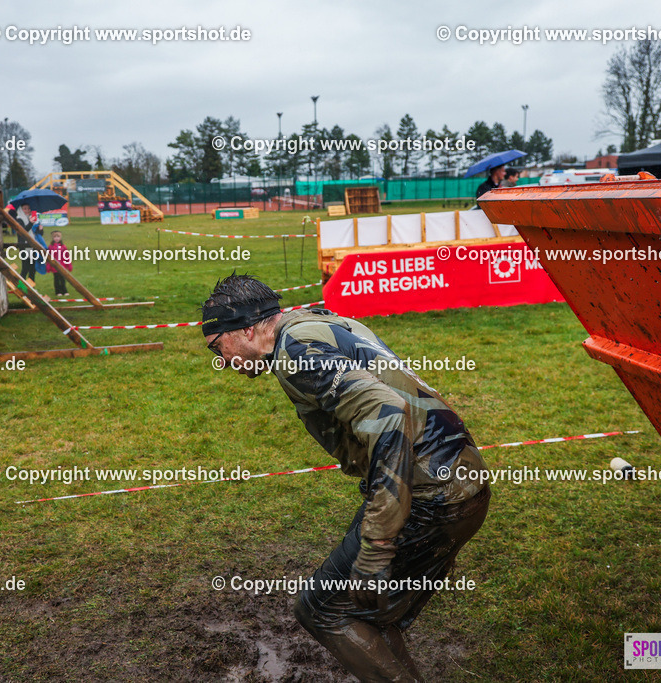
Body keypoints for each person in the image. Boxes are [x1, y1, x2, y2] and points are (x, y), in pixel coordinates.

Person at [202, 274, 491, 682]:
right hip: (463, 483)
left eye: (219, 346)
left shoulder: (296, 352)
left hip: (432, 497)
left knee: (322, 610)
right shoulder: (316, 323)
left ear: (246, 329)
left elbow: (389, 415)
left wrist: (376, 543)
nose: (222, 360)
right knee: (369, 612)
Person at [13, 203, 42, 285]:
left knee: (32, 268)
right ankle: (21, 286)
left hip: (32, 246)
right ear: (21, 210)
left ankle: (31, 288)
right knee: (25, 268)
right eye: (25, 208)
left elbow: (37, 234)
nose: (27, 210)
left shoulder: (30, 218)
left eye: (29, 208)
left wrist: (40, 229)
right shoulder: (19, 219)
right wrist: (30, 223)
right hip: (24, 246)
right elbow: (23, 231)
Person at [46, 230, 71, 297]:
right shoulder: (50, 247)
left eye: (58, 236)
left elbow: (67, 256)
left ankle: (64, 291)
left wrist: (69, 265)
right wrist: (48, 266)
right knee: (56, 279)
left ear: (60, 237)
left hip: (62, 266)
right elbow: (48, 257)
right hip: (54, 266)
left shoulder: (63, 246)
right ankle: (58, 291)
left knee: (62, 279)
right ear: (53, 238)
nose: (56, 238)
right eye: (55, 237)